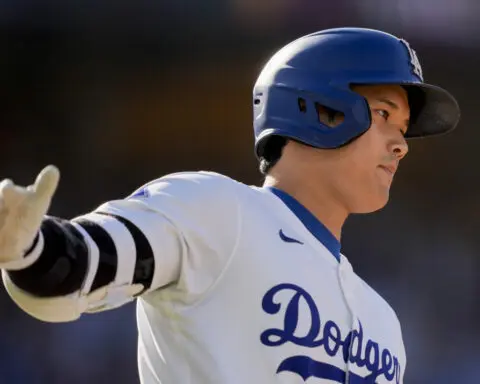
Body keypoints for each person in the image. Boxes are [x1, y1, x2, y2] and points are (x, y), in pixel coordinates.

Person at [0, 27, 460, 384]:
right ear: (322, 110)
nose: (401, 145)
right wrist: (30, 249)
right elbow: (82, 265)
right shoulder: (219, 210)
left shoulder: (383, 323)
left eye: (403, 128)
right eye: (383, 115)